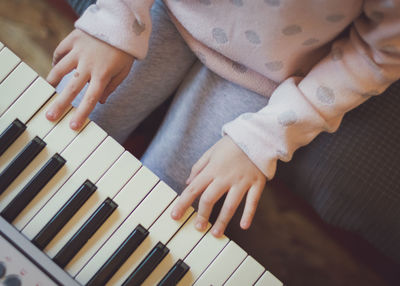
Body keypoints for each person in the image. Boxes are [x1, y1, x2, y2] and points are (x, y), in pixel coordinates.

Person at [47, 0, 400, 264]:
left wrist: (266, 137)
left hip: (268, 78)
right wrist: (117, 16)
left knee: (166, 211)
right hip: (166, 13)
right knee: (63, 131)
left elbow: (379, 52)